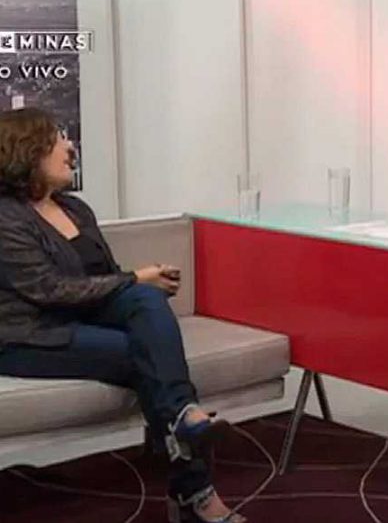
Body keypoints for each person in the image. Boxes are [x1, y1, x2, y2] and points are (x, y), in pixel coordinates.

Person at [0, 107, 245, 523]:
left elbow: (107, 278)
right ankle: (194, 488)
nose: (70, 147)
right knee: (146, 354)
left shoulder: (76, 209)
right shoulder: (7, 217)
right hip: (30, 334)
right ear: (30, 150)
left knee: (146, 300)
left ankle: (183, 415)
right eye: (59, 139)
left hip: (84, 316)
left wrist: (140, 282)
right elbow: (50, 290)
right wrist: (136, 277)